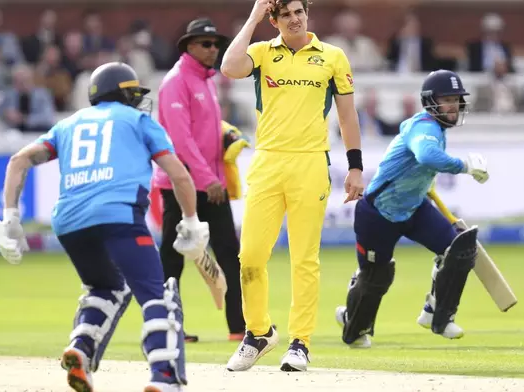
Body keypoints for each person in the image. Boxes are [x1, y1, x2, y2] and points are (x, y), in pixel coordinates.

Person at [0, 62, 210, 392]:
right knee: (157, 297)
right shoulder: (138, 121)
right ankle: (163, 376)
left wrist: (10, 217)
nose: (138, 100)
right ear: (123, 93)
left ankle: (81, 347)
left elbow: (18, 160)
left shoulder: (68, 124)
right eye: (133, 93)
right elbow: (178, 175)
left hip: (69, 223)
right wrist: (191, 221)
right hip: (119, 215)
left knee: (105, 289)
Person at [220, 0, 365, 372]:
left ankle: (300, 342)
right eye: (286, 14)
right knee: (250, 256)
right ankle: (259, 333)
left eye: (299, 11)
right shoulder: (262, 52)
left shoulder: (332, 56)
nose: (296, 19)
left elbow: (347, 116)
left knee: (304, 258)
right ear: (274, 20)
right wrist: (253, 16)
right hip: (267, 161)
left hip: (310, 162)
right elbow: (228, 67)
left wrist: (355, 168)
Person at [334, 70, 490, 349]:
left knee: (459, 249)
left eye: (457, 99)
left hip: (414, 208)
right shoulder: (424, 127)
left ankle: (436, 315)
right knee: (377, 279)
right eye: (447, 99)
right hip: (378, 214)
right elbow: (427, 156)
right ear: (431, 102)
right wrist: (464, 166)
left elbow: (421, 168)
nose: (453, 105)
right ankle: (351, 318)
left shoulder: (438, 129)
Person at [152, 18, 246, 343]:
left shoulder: (207, 80)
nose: (213, 49)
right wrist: (208, 179)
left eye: (215, 44)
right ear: (189, 47)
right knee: (172, 258)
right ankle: (168, 327)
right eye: (206, 44)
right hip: (180, 185)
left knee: (229, 254)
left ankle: (239, 328)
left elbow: (205, 130)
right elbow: (180, 140)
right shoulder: (175, 82)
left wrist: (226, 134)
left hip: (210, 182)